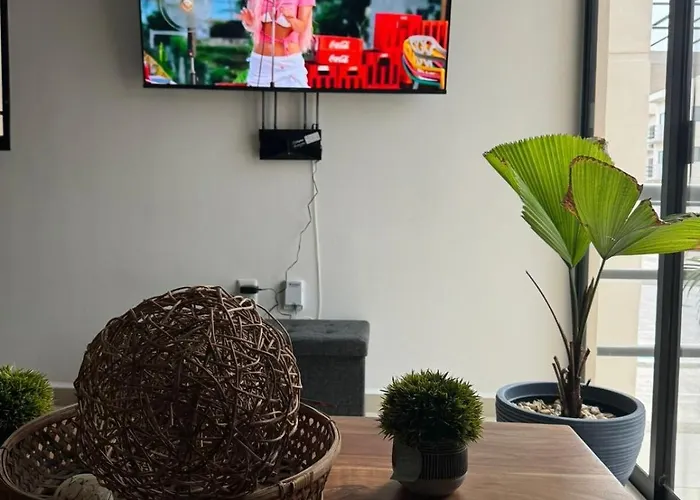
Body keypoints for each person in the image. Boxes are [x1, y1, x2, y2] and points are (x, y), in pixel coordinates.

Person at [240, 0, 315, 88]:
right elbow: (254, 28)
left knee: (297, 95)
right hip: (262, 63)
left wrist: (291, 19)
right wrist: (250, 23)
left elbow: (302, 27)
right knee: (257, 96)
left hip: (289, 63)